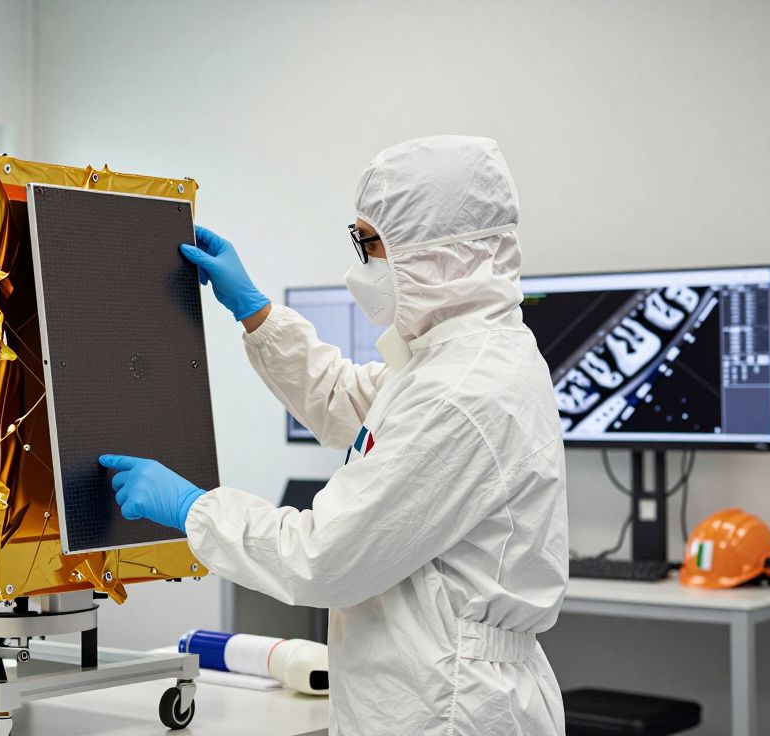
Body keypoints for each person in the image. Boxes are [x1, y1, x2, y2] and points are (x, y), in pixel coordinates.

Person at [101, 136, 568, 735]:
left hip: (448, 706)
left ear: (434, 252)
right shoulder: (455, 360)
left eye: (369, 244)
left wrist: (194, 509)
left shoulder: (463, 390)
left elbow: (323, 557)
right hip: (427, 682)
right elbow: (346, 400)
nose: (362, 265)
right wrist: (257, 314)